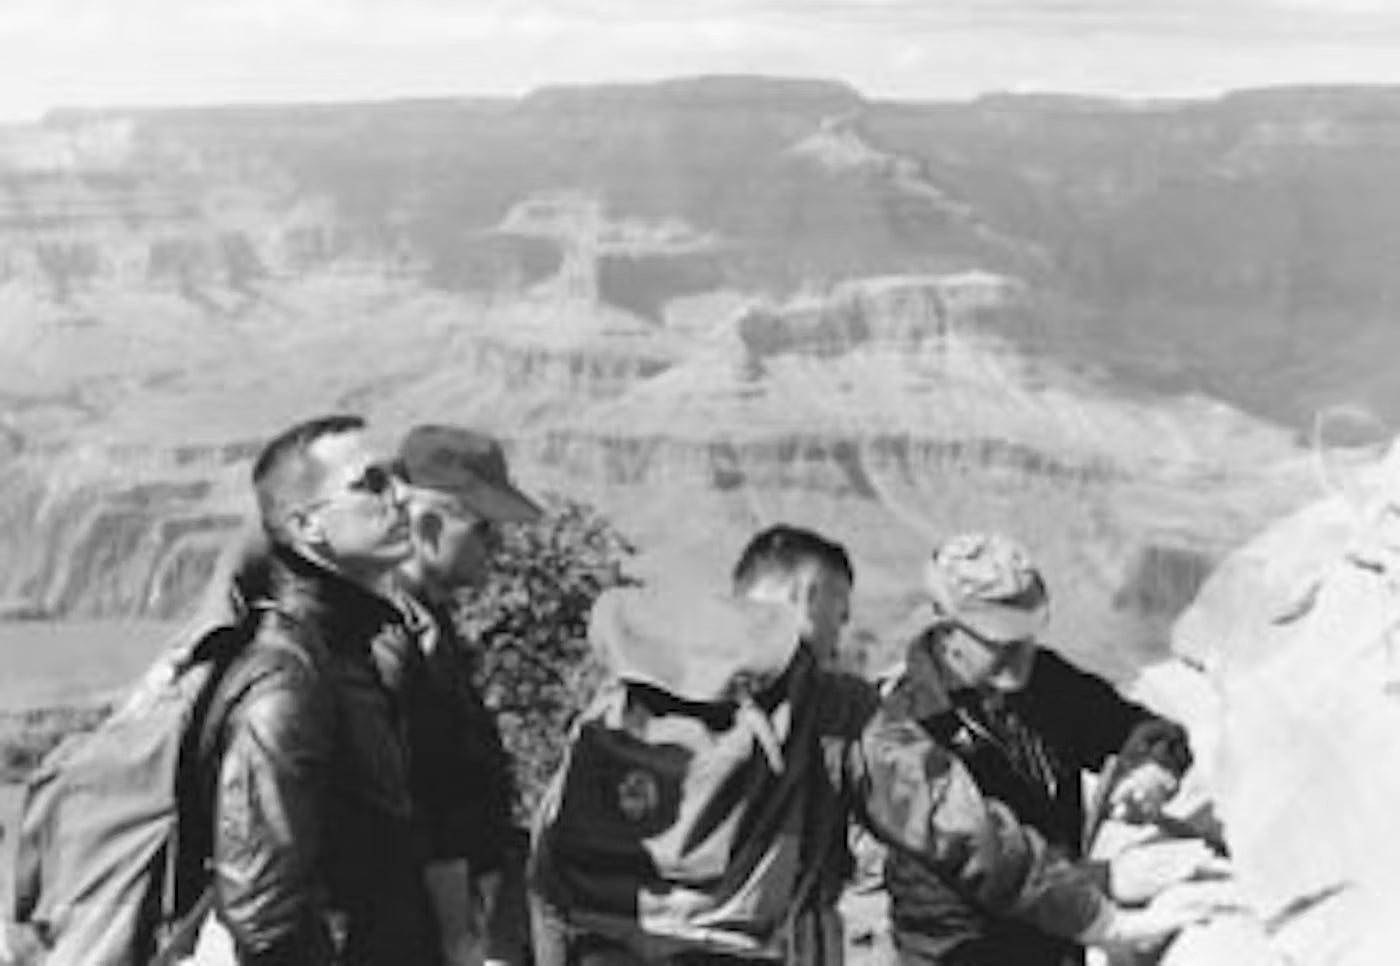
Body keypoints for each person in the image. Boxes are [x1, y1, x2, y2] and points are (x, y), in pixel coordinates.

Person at [531, 523, 1204, 965]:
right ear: (808, 595)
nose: (840, 632)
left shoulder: (635, 685)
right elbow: (958, 827)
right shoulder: (840, 709)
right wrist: (1099, 917)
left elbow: (550, 842)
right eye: (840, 611)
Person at [883, 532, 1196, 966]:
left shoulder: (1048, 684)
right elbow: (980, 856)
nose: (1020, 655)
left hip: (1055, 941)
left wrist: (1152, 767)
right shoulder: (908, 725)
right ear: (947, 626)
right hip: (960, 952)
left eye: (1027, 635)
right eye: (1000, 641)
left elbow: (1140, 727)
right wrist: (1102, 885)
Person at [201, 414, 441, 965]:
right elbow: (262, 916)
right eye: (371, 484)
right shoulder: (287, 683)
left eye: (398, 477)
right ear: (308, 526)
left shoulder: (348, 649)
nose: (402, 496)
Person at [384, 424, 544, 966]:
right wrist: (460, 941)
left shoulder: (426, 622)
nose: (495, 550)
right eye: (484, 531)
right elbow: (430, 798)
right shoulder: (401, 640)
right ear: (428, 526)